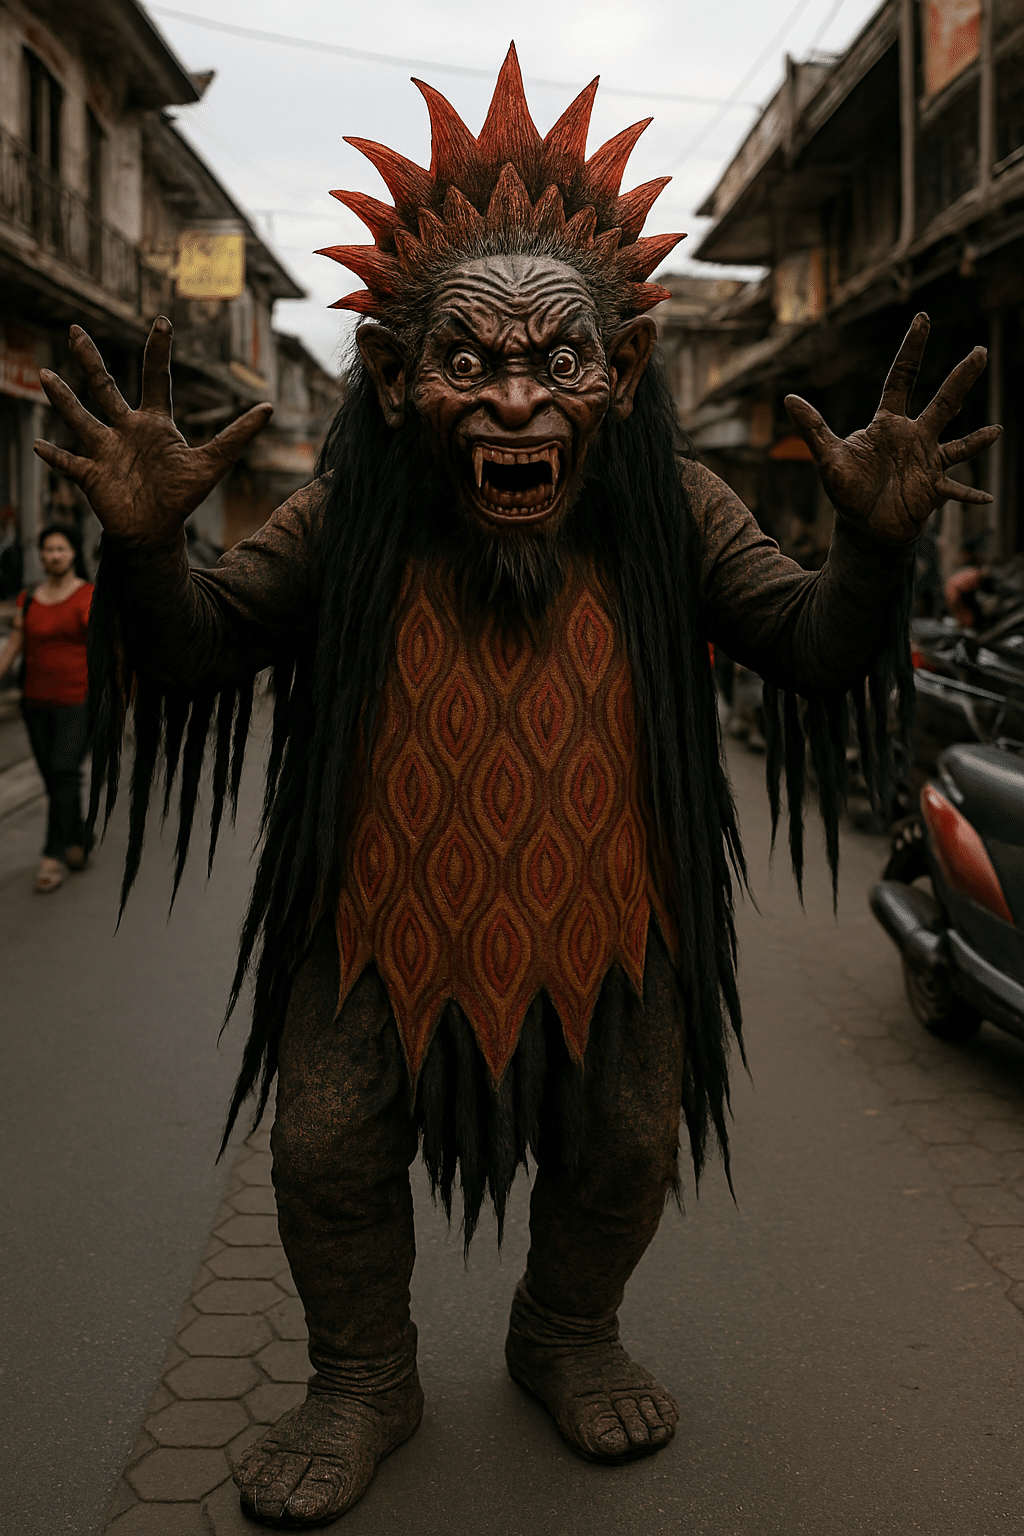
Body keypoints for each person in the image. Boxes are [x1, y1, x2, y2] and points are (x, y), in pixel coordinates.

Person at [34, 49, 1000, 1528]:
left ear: (625, 373)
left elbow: (809, 650)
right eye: (468, 362)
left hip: (620, 924)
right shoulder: (348, 504)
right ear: (394, 382)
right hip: (372, 924)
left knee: (627, 1135)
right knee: (325, 1143)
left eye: (560, 364)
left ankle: (565, 1328)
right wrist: (151, 553)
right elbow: (203, 653)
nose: (515, 405)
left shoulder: (679, 505)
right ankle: (364, 1373)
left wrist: (871, 551)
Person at [0, 523, 92, 892]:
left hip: (76, 699)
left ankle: (53, 855)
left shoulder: (89, 596)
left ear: (73, 554)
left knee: (63, 770)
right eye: (48, 549)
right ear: (40, 554)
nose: (54, 555)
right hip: (34, 701)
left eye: (61, 549)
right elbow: (17, 643)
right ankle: (79, 836)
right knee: (55, 778)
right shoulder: (29, 598)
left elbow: (104, 647)